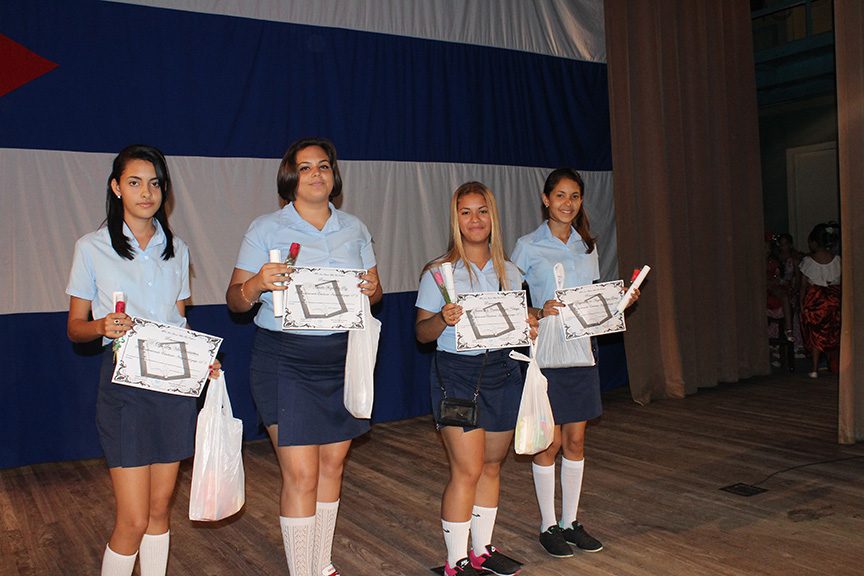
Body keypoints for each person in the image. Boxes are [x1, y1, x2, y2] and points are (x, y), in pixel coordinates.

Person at [226, 137, 381, 576]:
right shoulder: (265, 229)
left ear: (334, 175)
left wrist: (372, 289)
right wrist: (257, 283)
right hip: (285, 360)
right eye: (306, 167)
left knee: (332, 466)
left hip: (343, 357)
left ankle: (321, 564)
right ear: (291, 176)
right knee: (300, 475)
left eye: (324, 166)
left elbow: (376, 291)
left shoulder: (355, 227)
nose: (316, 173)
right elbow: (235, 301)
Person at [66, 144, 220, 576]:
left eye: (155, 183)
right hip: (123, 389)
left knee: (157, 511)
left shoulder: (178, 248)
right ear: (116, 188)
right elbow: (75, 326)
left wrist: (201, 360)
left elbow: (180, 319)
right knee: (132, 520)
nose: (146, 192)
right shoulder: (91, 247)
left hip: (173, 388)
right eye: (134, 182)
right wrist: (101, 327)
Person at [510, 168, 638, 559]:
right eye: (560, 195)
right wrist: (536, 307)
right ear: (546, 199)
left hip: (582, 352)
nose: (568, 203)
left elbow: (590, 300)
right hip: (546, 354)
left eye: (575, 196)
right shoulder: (527, 245)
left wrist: (617, 306)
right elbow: (508, 297)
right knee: (547, 444)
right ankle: (548, 524)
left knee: (576, 440)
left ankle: (571, 522)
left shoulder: (587, 246)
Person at [416, 181, 537, 576]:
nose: (475, 219)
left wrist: (529, 325)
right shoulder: (439, 273)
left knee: (491, 467)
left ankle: (482, 550)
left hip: (504, 372)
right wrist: (441, 318)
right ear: (456, 219)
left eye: (481, 211)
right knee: (466, 471)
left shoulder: (512, 272)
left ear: (492, 217)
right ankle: (456, 562)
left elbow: (517, 326)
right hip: (457, 376)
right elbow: (421, 333)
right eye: (465, 212)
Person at [799, 223, 841, 378]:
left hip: (816, 302)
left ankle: (815, 369)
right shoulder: (837, 260)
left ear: (815, 243)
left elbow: (803, 286)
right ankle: (835, 366)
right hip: (834, 301)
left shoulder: (808, 261)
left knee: (816, 335)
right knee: (834, 333)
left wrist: (802, 304)